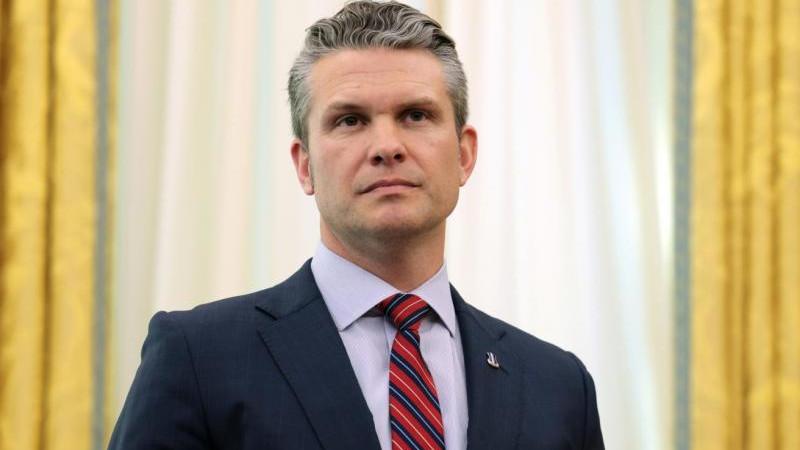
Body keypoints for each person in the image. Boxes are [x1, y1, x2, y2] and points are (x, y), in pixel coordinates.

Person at [108, 1, 604, 449]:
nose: (386, 146)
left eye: (415, 115)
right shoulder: (198, 359)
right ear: (305, 165)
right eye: (350, 120)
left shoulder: (559, 386)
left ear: (464, 154)